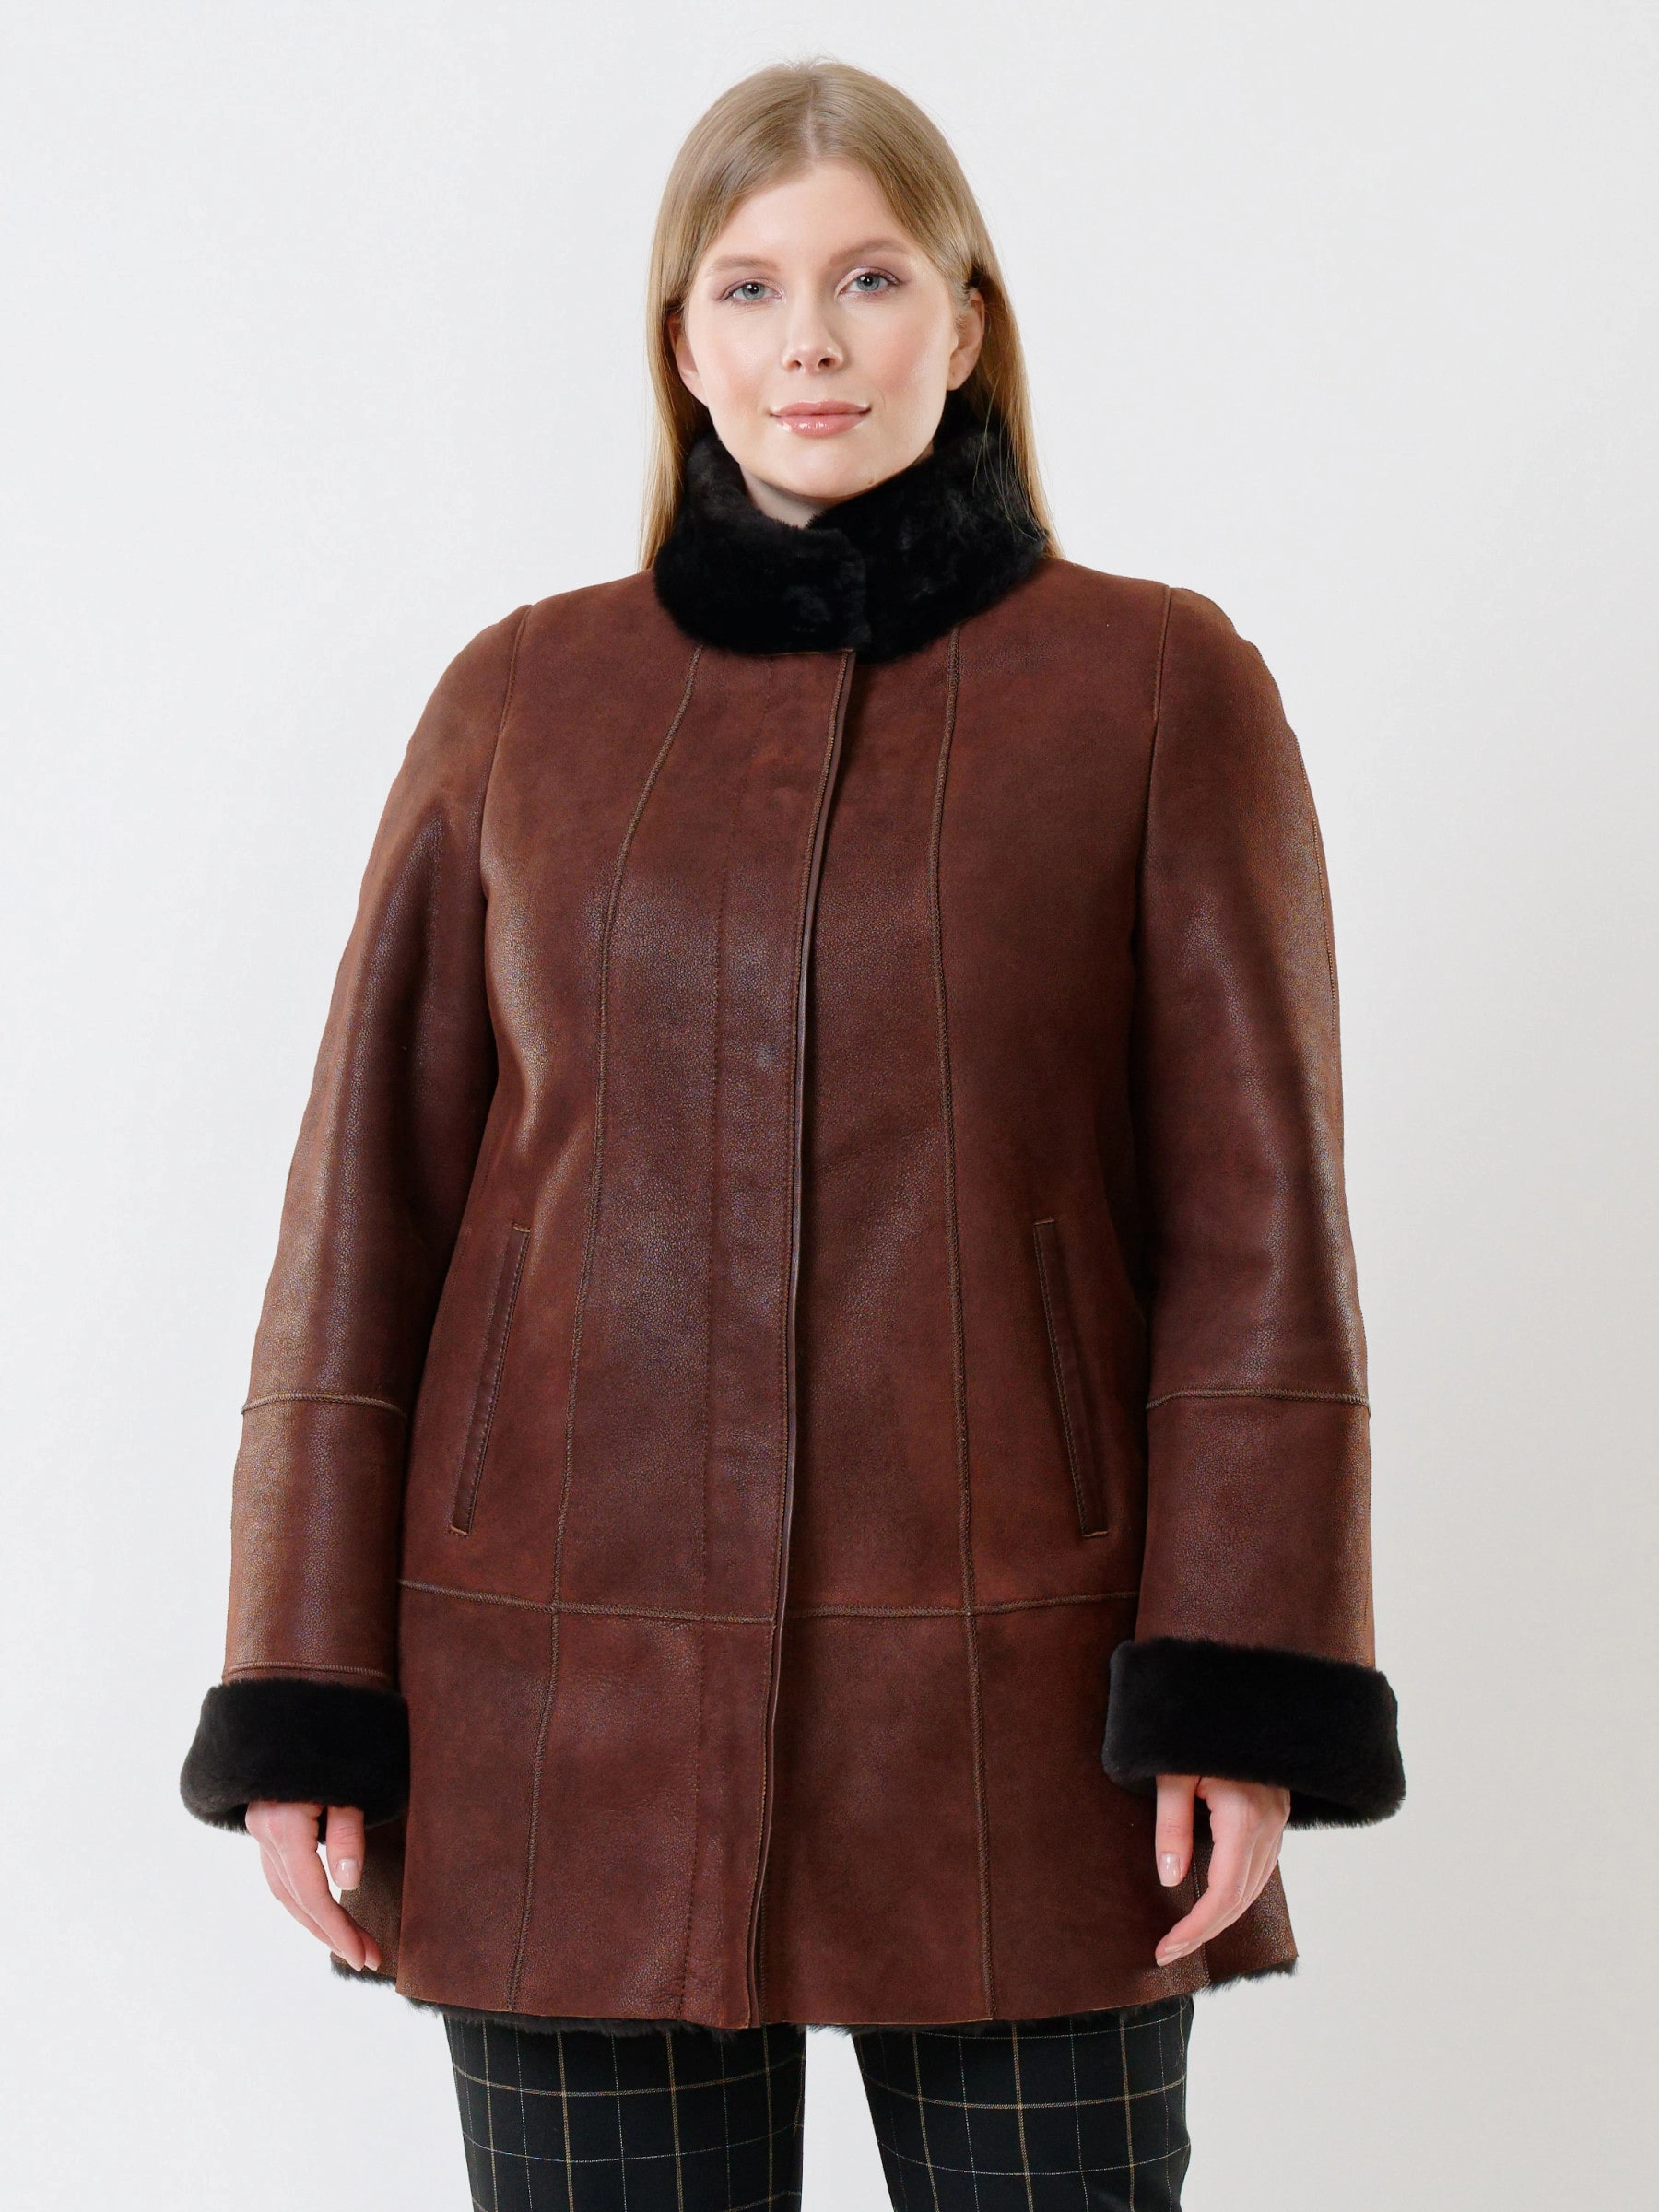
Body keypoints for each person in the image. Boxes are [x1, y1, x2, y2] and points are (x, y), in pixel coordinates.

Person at [180, 56, 1405, 2212]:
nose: (809, 340)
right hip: (564, 1717)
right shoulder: (519, 704)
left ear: (968, 321)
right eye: (747, 287)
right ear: (681, 343)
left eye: (868, 278)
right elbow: (363, 1215)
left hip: (1022, 1712)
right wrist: (304, 1686)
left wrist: (1241, 1679)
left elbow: (1259, 1228)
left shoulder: (1153, 690)